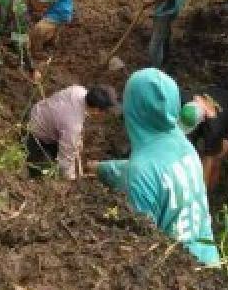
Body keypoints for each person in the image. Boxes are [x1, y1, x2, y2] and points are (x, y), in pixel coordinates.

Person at [90, 68, 218, 265]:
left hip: (180, 275)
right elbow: (191, 114)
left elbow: (143, 247)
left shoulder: (141, 172)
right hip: (210, 266)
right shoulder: (183, 144)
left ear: (132, 110)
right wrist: (103, 168)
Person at [25, 83, 118, 179]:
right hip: (35, 133)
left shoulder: (78, 90)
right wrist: (70, 177)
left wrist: (77, 139)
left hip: (37, 112)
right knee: (42, 172)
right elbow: (65, 162)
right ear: (96, 109)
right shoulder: (73, 126)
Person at [180, 86, 228, 192]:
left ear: (203, 120)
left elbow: (208, 162)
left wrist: (200, 199)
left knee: (216, 158)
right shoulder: (182, 98)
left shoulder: (214, 129)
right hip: (213, 92)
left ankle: (210, 193)